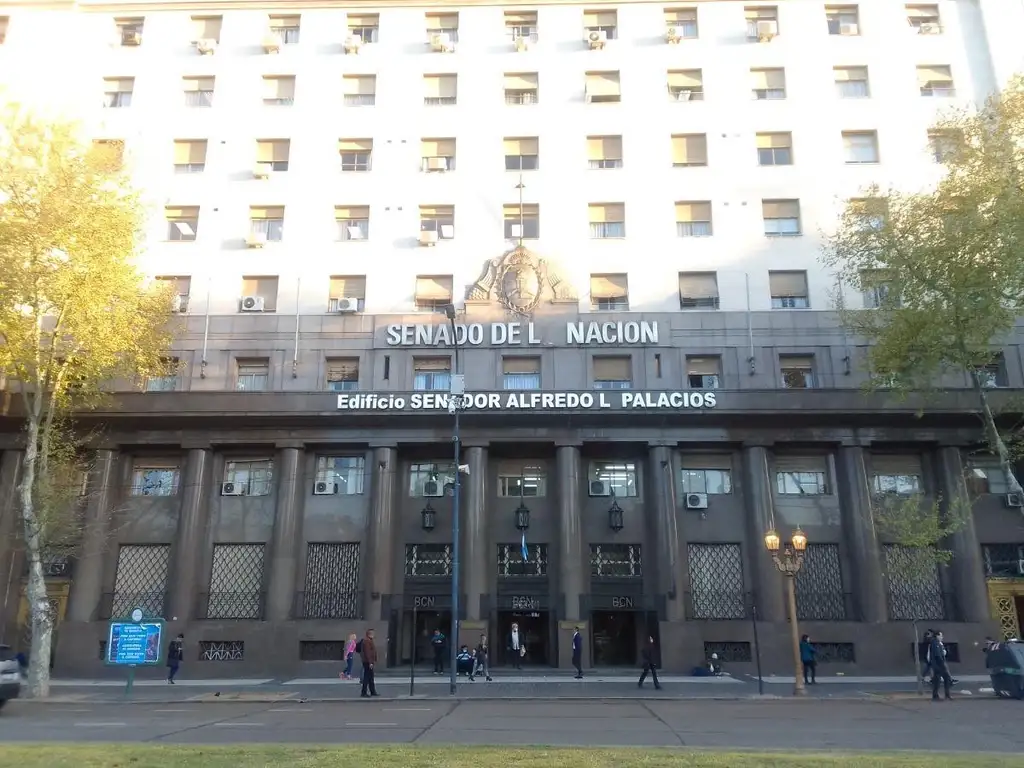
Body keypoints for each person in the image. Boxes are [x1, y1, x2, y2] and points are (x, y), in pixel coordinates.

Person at [929, 630, 953, 701]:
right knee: (946, 678)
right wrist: (942, 663)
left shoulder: (938, 643)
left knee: (937, 680)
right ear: (937, 636)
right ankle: (946, 695)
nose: (942, 637)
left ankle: (936, 695)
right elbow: (937, 655)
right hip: (939, 665)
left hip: (938, 665)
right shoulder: (935, 643)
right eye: (941, 635)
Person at [360, 628, 379, 698]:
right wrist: (370, 662)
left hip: (369, 661)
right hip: (367, 662)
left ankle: (372, 691)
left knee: (370, 677)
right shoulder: (367, 641)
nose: (374, 635)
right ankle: (364, 692)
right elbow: (367, 652)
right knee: (367, 677)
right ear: (369, 634)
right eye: (373, 633)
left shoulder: (369, 641)